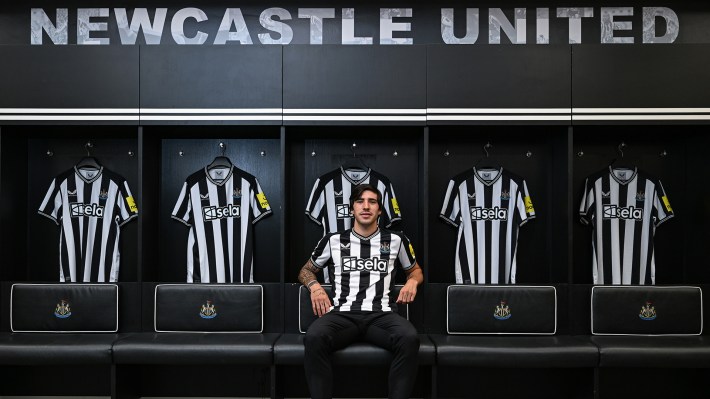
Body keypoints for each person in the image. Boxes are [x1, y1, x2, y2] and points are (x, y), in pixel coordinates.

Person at [297, 183, 424, 399]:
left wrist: (413, 281)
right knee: (314, 337)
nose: (366, 207)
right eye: (360, 201)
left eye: (372, 202)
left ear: (380, 210)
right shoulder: (333, 240)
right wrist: (314, 287)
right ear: (351, 209)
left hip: (381, 316)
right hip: (342, 315)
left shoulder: (396, 240)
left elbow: (415, 271)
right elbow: (306, 270)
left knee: (410, 338)